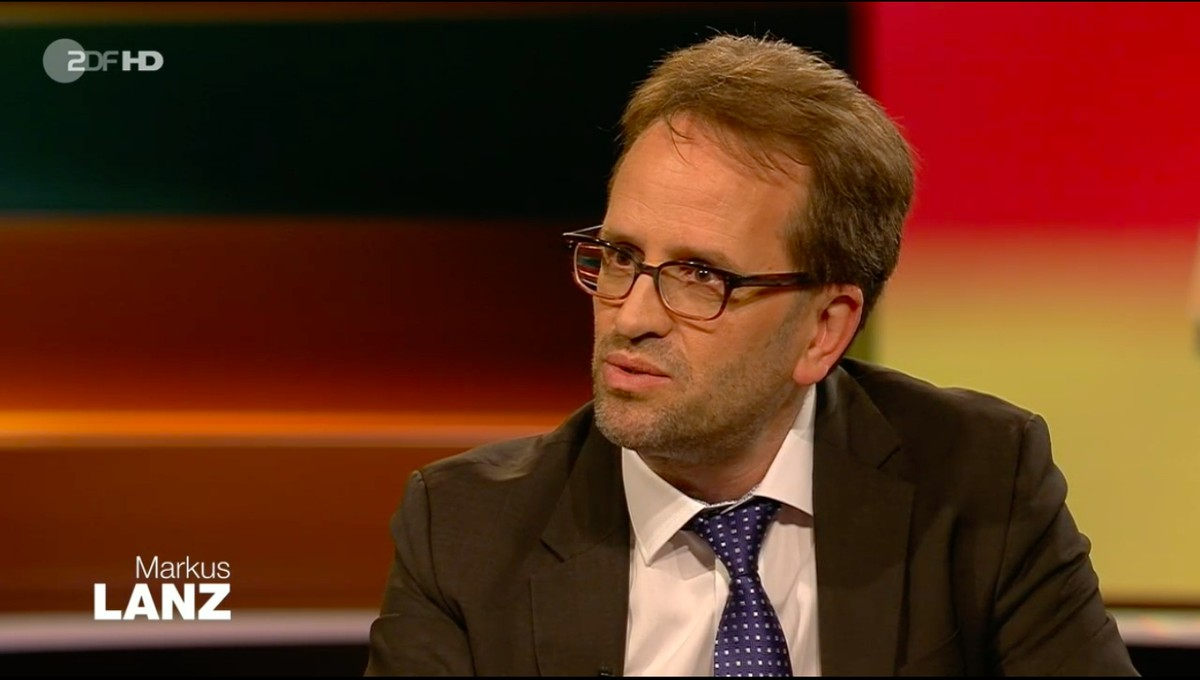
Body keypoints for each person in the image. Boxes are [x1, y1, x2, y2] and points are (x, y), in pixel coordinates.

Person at [365, 34, 1137, 676]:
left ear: (824, 329)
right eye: (622, 257)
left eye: (701, 276)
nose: (631, 316)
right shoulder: (466, 530)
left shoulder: (978, 481)